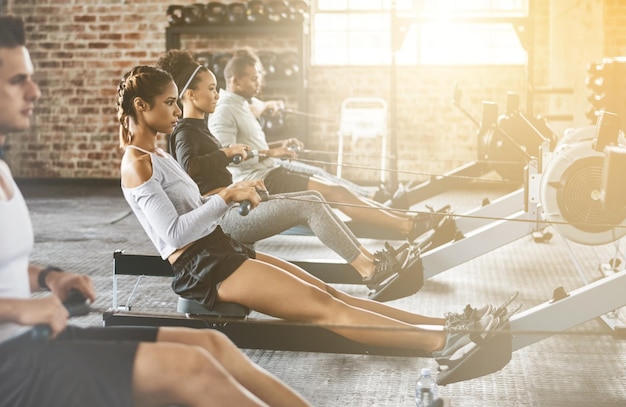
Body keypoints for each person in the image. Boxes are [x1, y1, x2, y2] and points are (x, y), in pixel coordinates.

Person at [0, 15, 311, 407]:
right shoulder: (137, 160)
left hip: (34, 339)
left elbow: (5, 267)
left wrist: (50, 277)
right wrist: (19, 310)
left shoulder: (3, 172)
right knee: (193, 371)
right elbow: (176, 233)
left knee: (210, 344)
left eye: (30, 77)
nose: (34, 91)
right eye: (17, 81)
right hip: (11, 366)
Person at [118, 64, 499, 363]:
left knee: (330, 292)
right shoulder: (136, 162)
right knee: (326, 309)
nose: (175, 108)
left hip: (219, 249)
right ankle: (444, 341)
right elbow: (173, 234)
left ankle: (444, 324)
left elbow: (196, 207)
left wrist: (235, 196)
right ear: (141, 106)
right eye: (169, 102)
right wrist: (227, 195)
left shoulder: (159, 154)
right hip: (203, 268)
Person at [156, 49, 416, 290]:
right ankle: (368, 269)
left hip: (232, 205)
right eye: (212, 89)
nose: (217, 94)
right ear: (190, 95)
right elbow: (190, 166)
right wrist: (226, 154)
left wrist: (240, 170)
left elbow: (215, 162)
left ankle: (371, 259)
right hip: (220, 221)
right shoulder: (185, 132)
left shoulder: (200, 128)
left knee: (316, 197)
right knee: (312, 203)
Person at [208, 52, 442, 241]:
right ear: (235, 81)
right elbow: (228, 156)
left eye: (257, 77)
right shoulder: (224, 111)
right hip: (262, 180)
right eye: (253, 78)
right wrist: (271, 152)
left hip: (271, 170)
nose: (258, 83)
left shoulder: (240, 106)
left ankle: (402, 217)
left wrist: (278, 145)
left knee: (337, 188)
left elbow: (250, 147)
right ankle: (407, 226)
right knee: (335, 193)